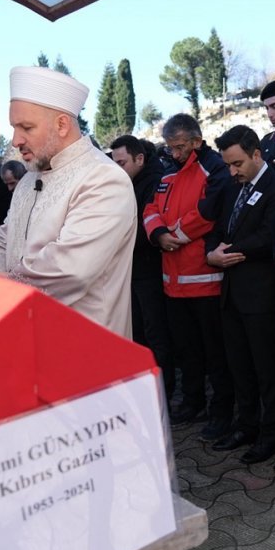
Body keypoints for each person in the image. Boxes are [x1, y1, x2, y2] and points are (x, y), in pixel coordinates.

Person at [0, 66, 136, 337]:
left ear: (62, 124)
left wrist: (1, 291)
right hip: (26, 337)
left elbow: (70, 270)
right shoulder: (27, 180)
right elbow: (2, 241)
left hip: (84, 345)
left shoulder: (104, 179)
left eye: (26, 127)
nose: (16, 140)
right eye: (14, 127)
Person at [143, 113, 236, 439]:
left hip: (204, 280)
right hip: (173, 282)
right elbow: (151, 208)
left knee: (216, 354)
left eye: (181, 147)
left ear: (196, 140)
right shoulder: (168, 171)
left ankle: (222, 410)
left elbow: (210, 211)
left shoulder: (214, 167)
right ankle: (193, 401)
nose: (175, 153)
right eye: (171, 147)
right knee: (187, 351)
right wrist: (157, 235)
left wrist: (175, 236)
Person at [208, 125, 275, 465]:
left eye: (238, 163)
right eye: (227, 164)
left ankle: (271, 435)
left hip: (263, 297)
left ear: (257, 154)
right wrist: (212, 253)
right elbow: (216, 231)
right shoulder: (231, 187)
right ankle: (246, 425)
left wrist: (229, 251)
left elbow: (271, 235)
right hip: (231, 295)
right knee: (240, 366)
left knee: (267, 370)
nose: (232, 171)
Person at [110, 134, 175, 400]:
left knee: (155, 331)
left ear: (140, 158)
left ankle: (164, 390)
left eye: (122, 163)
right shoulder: (130, 181)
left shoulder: (154, 182)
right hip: (133, 269)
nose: (118, 169)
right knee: (139, 330)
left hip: (148, 268)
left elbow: (144, 227)